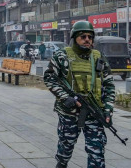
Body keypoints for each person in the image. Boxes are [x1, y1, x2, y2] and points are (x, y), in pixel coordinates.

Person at [44, 21, 115, 168]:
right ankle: (61, 164)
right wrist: (65, 98)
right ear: (74, 37)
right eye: (83, 36)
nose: (87, 39)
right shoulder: (62, 56)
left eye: (90, 36)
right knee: (66, 147)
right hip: (69, 113)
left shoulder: (98, 57)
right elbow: (49, 78)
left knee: (97, 152)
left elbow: (109, 85)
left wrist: (108, 109)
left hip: (94, 112)